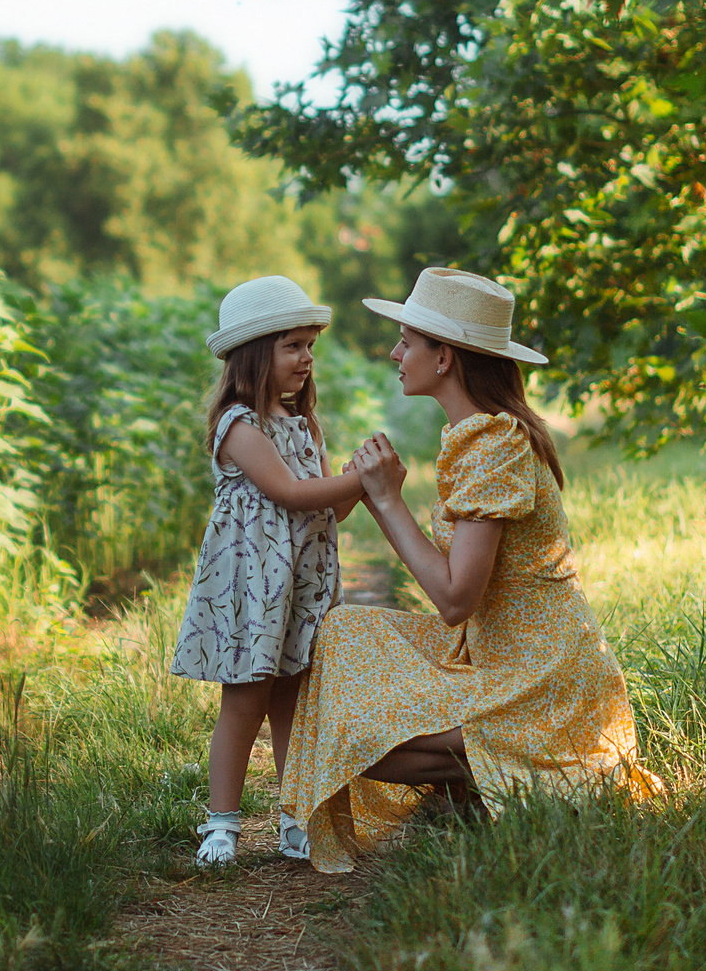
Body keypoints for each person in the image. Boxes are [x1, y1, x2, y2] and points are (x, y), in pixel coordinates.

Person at [279, 267, 661, 872]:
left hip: (544, 674)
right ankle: (479, 784)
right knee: (345, 635)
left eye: (408, 340)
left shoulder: (495, 444)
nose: (395, 352)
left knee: (360, 738)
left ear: (445, 358)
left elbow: (455, 598)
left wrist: (386, 499)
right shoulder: (475, 435)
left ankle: (525, 769)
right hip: (495, 655)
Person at [167, 276, 369, 865]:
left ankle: (296, 817)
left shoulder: (305, 426)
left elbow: (326, 507)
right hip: (254, 589)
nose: (307, 359)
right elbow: (289, 493)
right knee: (246, 701)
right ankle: (221, 824)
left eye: (310, 346)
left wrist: (361, 480)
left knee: (293, 703)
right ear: (256, 355)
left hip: (300, 586)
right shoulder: (241, 427)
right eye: (294, 346)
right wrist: (363, 477)